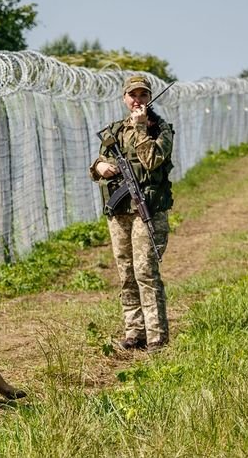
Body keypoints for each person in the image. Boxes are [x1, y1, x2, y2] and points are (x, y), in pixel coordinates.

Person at [90, 75, 174, 353]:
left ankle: (156, 336)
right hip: (120, 212)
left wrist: (140, 129)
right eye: (133, 95)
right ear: (125, 98)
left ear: (149, 99)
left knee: (145, 271)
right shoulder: (114, 130)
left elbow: (151, 161)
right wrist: (100, 167)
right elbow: (100, 161)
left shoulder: (159, 129)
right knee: (125, 272)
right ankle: (134, 331)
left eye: (143, 95)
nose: (137, 100)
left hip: (147, 210)